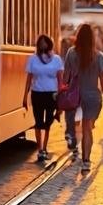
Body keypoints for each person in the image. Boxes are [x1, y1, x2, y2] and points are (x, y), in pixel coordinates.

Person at [63, 23, 103, 173]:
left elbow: (65, 78)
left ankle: (74, 137)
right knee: (87, 129)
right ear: (92, 38)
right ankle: (86, 161)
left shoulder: (71, 53)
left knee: (80, 124)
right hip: (93, 98)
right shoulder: (100, 57)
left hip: (75, 96)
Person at [23, 34, 65, 162]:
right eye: (40, 43)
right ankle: (40, 149)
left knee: (48, 122)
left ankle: (45, 147)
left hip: (52, 94)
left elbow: (60, 80)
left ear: (49, 44)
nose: (42, 45)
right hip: (37, 93)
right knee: (38, 121)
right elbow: (29, 79)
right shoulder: (33, 59)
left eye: (44, 42)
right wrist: (25, 96)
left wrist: (61, 97)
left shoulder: (56, 59)